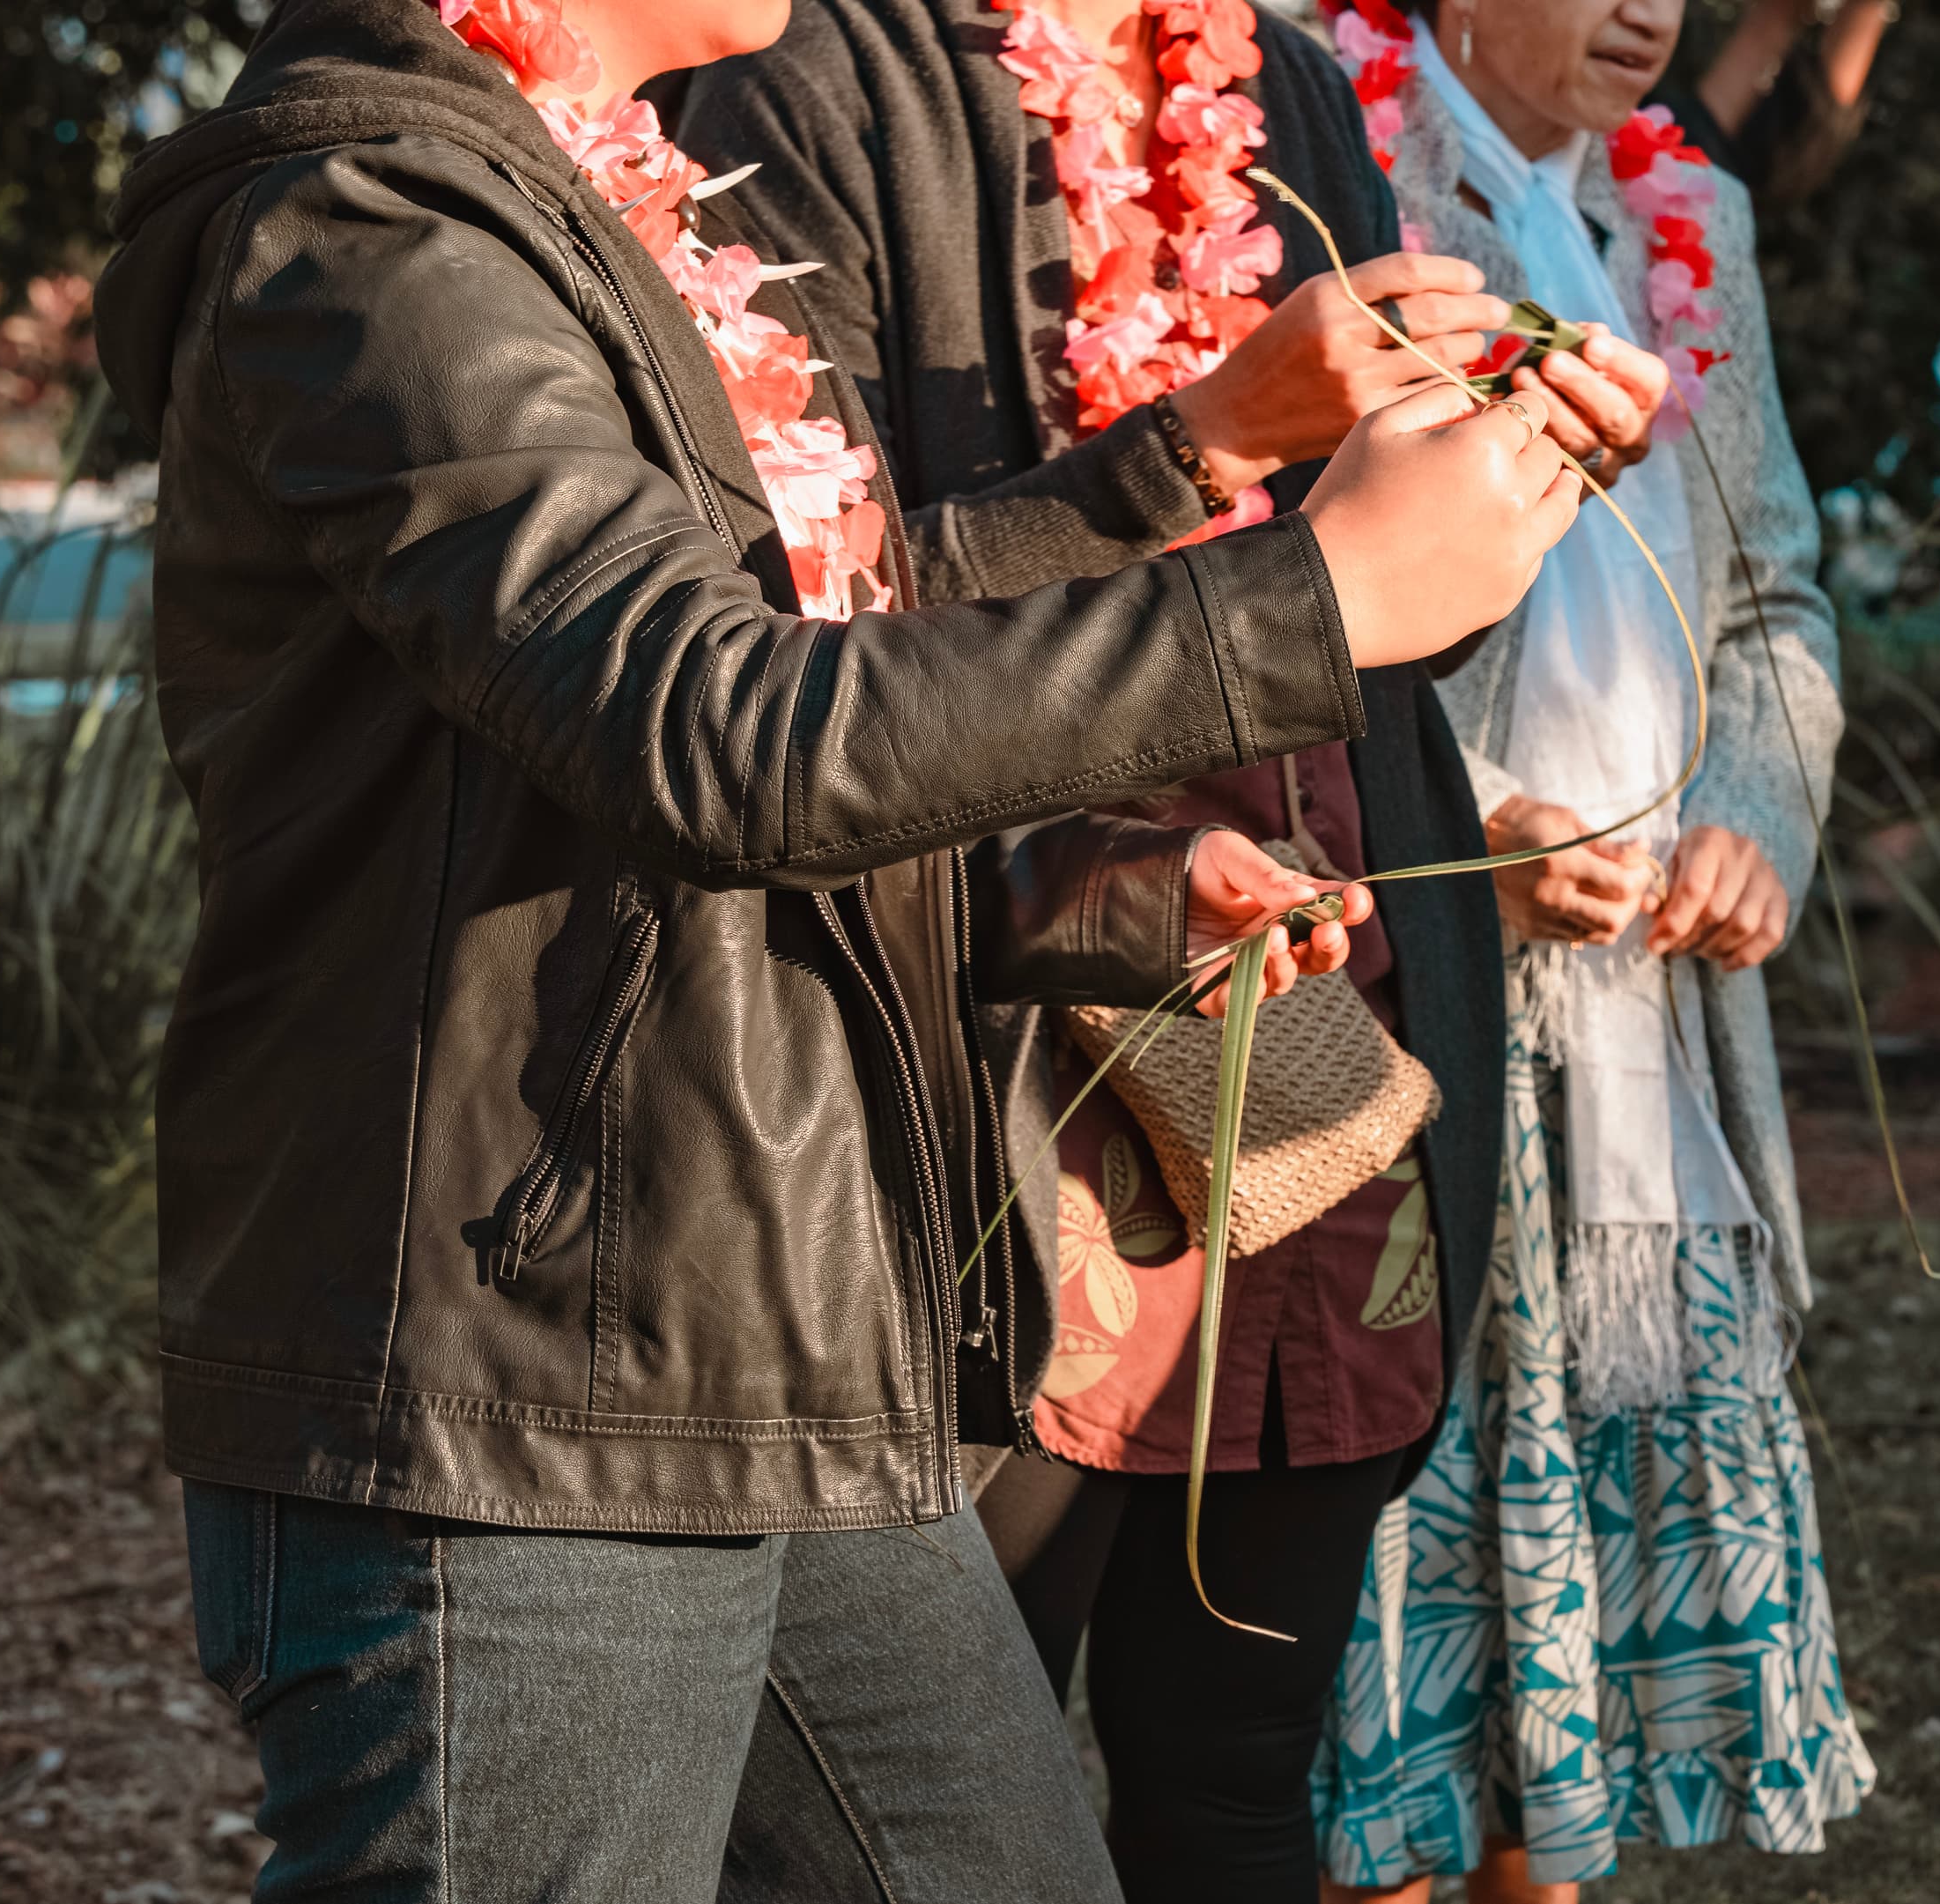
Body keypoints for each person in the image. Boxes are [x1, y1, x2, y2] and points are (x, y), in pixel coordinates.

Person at [89, 0, 1588, 1888]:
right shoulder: (374, 226)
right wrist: (1305, 598)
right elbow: (704, 728)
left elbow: (835, 653)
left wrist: (1095, 881)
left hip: (775, 1327)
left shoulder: (589, 194)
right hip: (526, 1390)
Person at [667, 4, 1669, 1898]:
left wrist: (1509, 484)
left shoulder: (1276, 77)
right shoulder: (809, 68)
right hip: (995, 1087)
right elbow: (793, 640)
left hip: (1313, 1046)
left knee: (1239, 1777)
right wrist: (1191, 446)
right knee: (932, 1808)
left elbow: (1381, 612)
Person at [1304, 0, 1870, 1896]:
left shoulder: (1681, 211)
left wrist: (1755, 829)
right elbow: (1263, 580)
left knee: (1583, 1728)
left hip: (1652, 1039)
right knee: (1384, 1662)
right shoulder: (1335, 161)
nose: (1653, 10)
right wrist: (1467, 832)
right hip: (1404, 1041)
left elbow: (1778, 594)